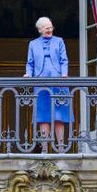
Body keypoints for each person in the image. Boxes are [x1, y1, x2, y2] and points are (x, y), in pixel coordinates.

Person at [24, 17, 70, 150]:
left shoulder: (59, 41)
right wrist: (28, 74)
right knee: (43, 115)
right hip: (40, 81)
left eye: (51, 27)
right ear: (39, 29)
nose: (50, 30)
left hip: (58, 81)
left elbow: (64, 60)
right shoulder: (33, 44)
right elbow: (30, 63)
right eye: (46, 28)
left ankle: (60, 147)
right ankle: (45, 148)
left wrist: (64, 74)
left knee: (59, 115)